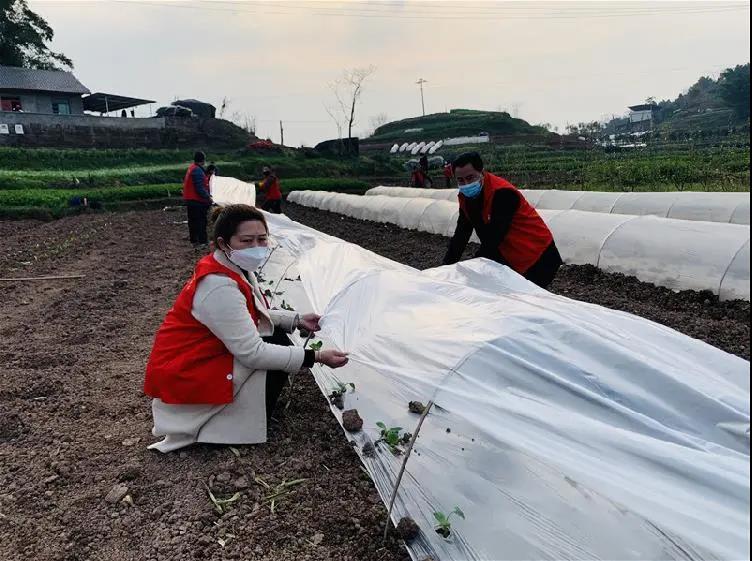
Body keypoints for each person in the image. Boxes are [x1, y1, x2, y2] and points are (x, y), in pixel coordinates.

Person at [143, 204, 349, 452]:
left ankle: (250, 410)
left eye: (262, 239)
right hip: (187, 370)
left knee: (276, 336)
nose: (256, 248)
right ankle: (223, 425)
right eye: (246, 241)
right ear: (223, 243)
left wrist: (296, 319)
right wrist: (315, 357)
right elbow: (252, 352)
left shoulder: (231, 268)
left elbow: (246, 311)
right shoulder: (218, 285)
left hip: (198, 355)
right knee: (274, 349)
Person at [443, 151, 563, 288]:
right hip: (509, 253)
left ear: (482, 173)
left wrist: (474, 267)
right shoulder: (466, 198)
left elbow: (494, 238)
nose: (466, 184)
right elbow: (461, 234)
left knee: (526, 300)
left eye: (470, 178)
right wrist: (445, 268)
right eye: (460, 180)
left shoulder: (502, 193)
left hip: (538, 255)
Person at [182, 151, 213, 249]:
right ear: (203, 160)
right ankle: (202, 241)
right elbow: (200, 188)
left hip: (190, 200)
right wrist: (209, 197)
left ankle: (194, 241)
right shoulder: (198, 171)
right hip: (197, 201)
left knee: (193, 221)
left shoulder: (192, 168)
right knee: (201, 221)